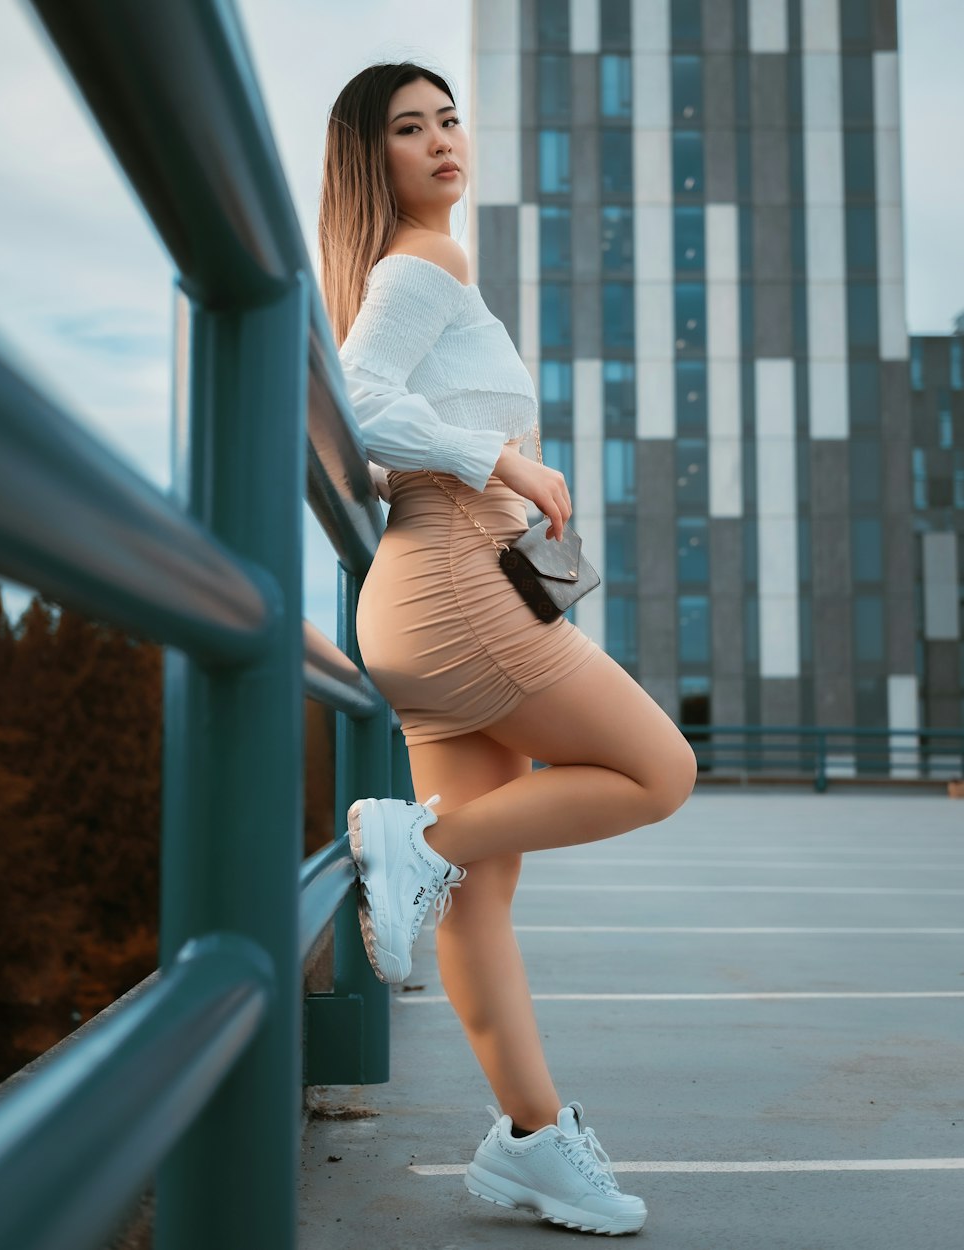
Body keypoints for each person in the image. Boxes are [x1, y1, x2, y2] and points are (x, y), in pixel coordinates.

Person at [318, 61, 696, 1238]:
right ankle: (413, 837)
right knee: (659, 772)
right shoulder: (427, 262)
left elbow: (375, 411)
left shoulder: (402, 268)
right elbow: (362, 393)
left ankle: (533, 1141)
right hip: (456, 585)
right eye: (406, 128)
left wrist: (494, 471)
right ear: (368, 159)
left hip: (429, 594)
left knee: (480, 902)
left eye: (446, 118)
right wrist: (511, 464)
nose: (440, 140)